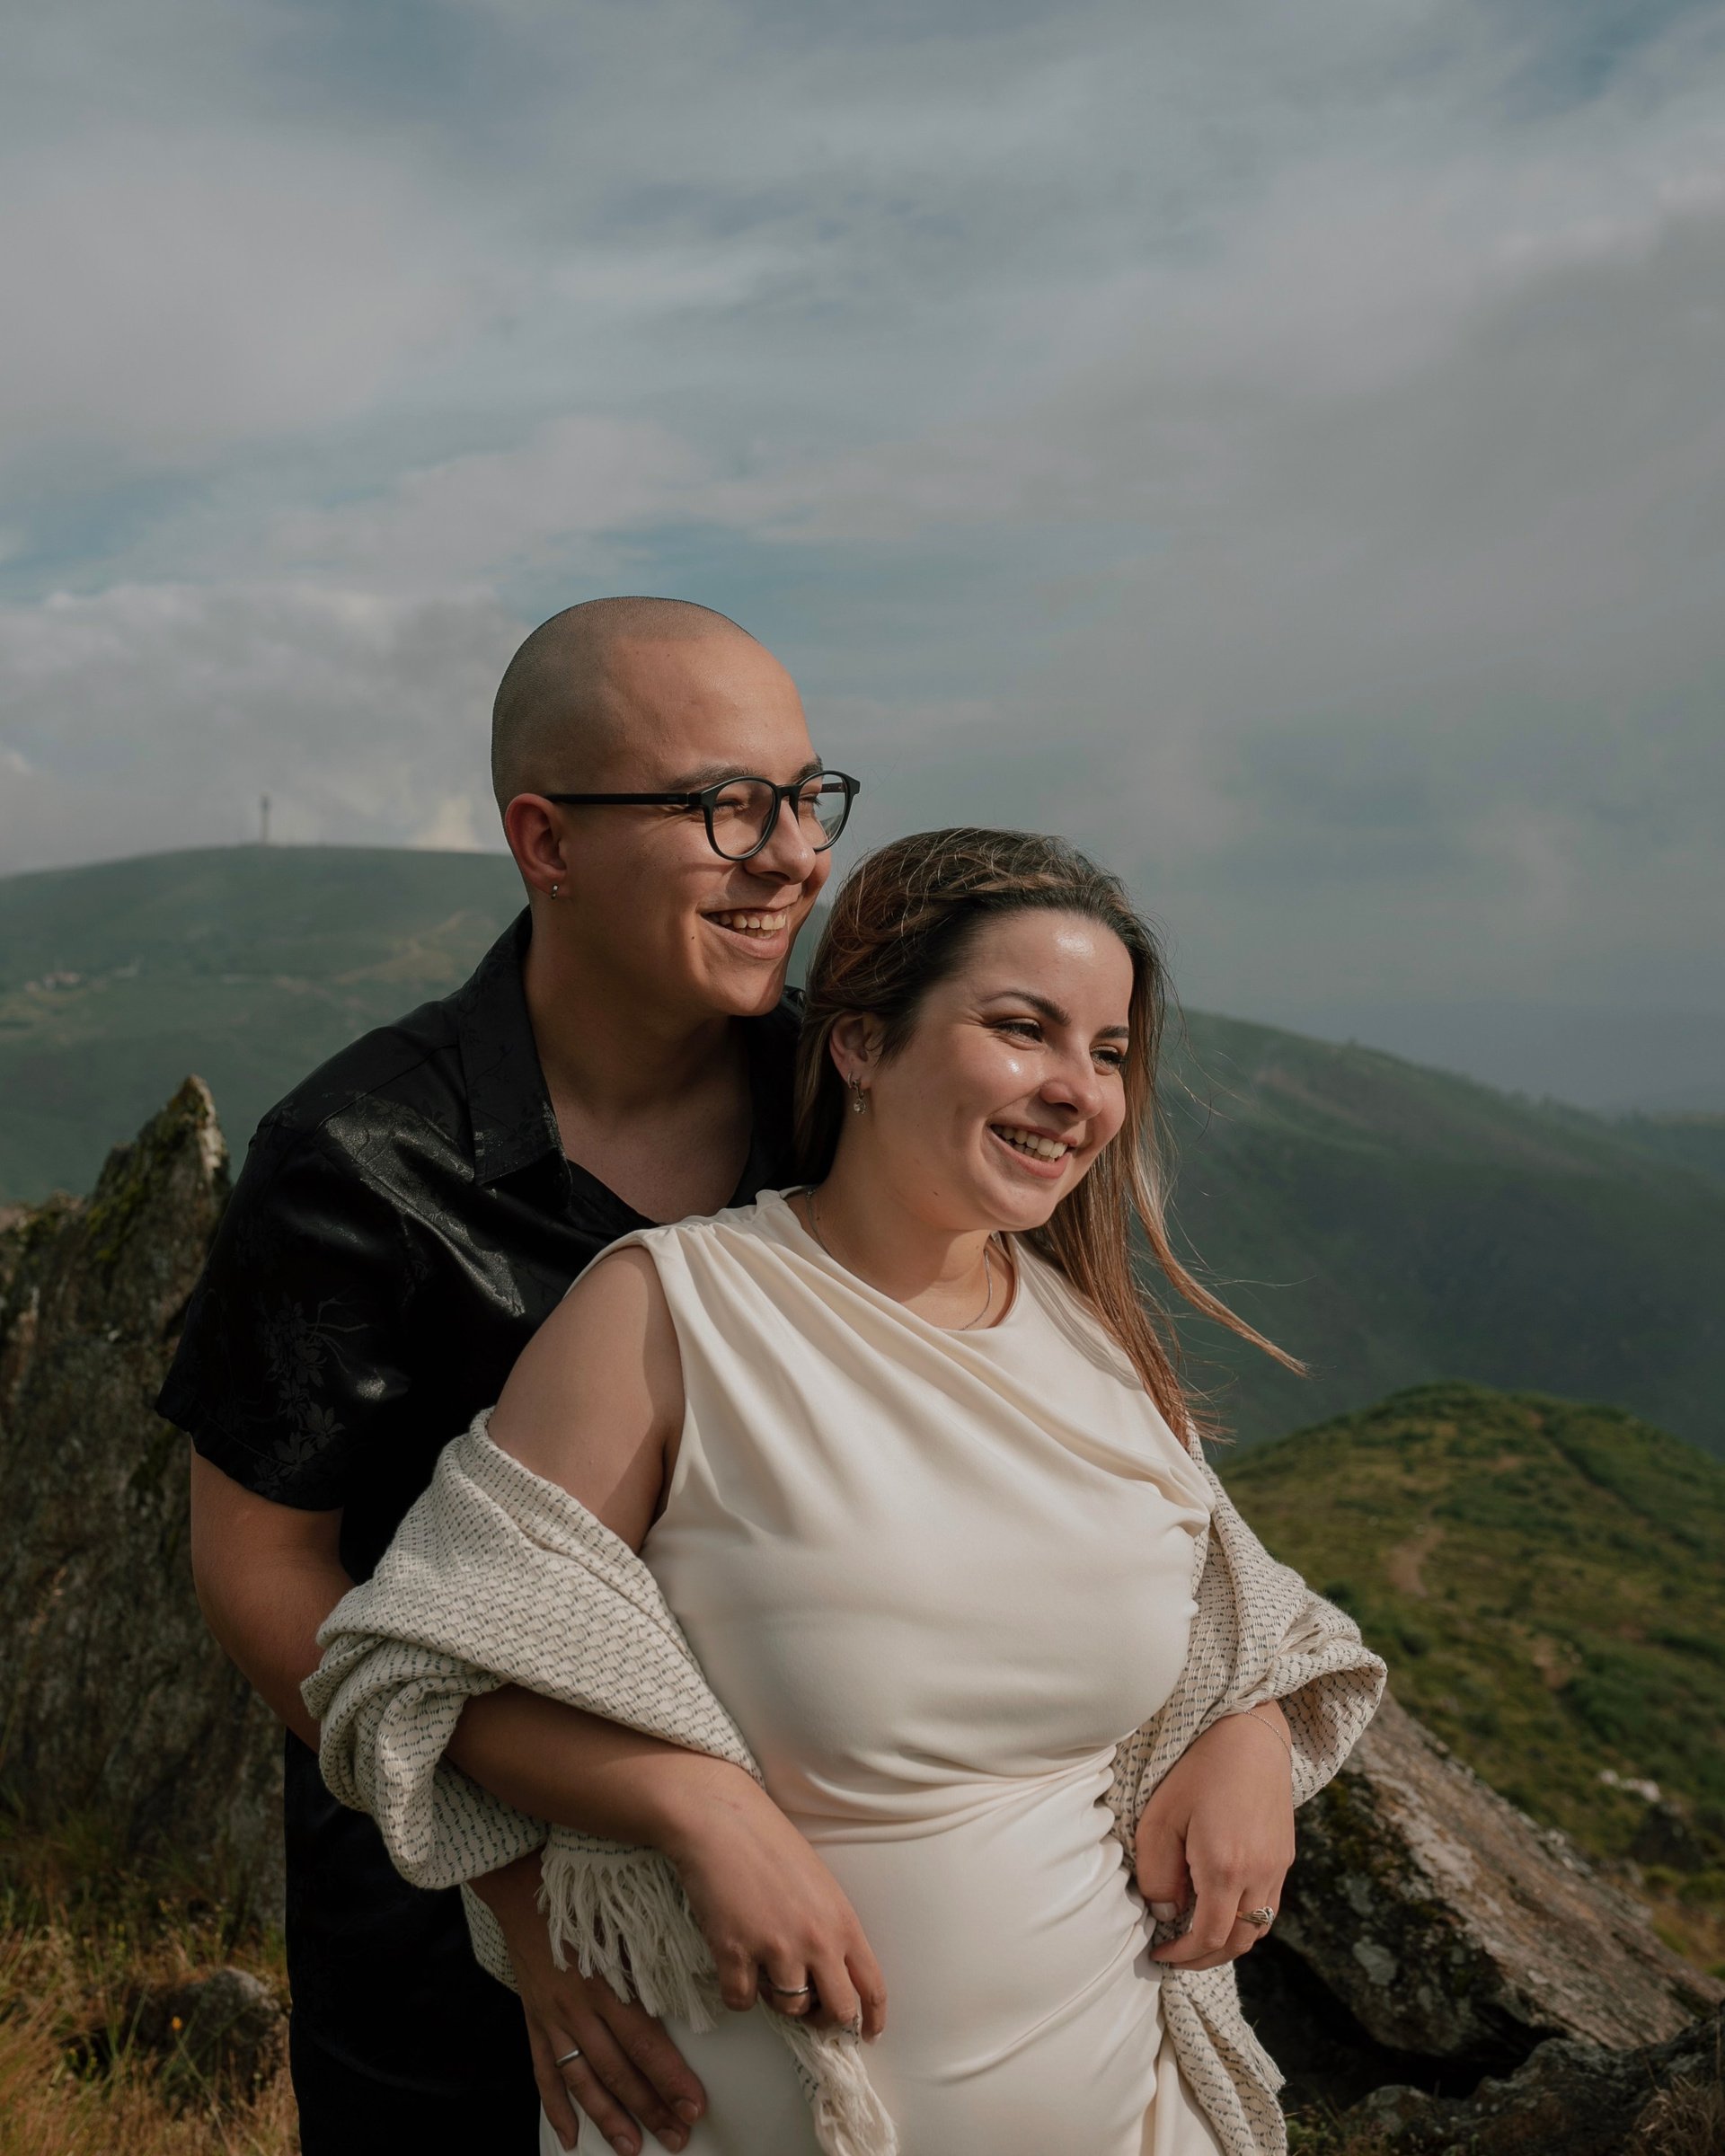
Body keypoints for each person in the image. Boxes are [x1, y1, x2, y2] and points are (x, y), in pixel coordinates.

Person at [308, 828, 1386, 2156]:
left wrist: (1252, 1732)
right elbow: (421, 1664)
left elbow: (1241, 1606)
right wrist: (699, 1809)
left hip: (1133, 2111)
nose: (1078, 1092)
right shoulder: (676, 1313)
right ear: (861, 1044)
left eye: (1109, 1053)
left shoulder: (1098, 1341)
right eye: (1022, 1029)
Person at [162, 596, 860, 2152]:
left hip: (822, 1903)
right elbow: (262, 1568)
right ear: (547, 842)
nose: (795, 856)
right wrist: (519, 1893)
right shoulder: (353, 1161)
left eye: (809, 797)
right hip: (457, 1961)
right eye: (725, 804)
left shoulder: (852, 1114)